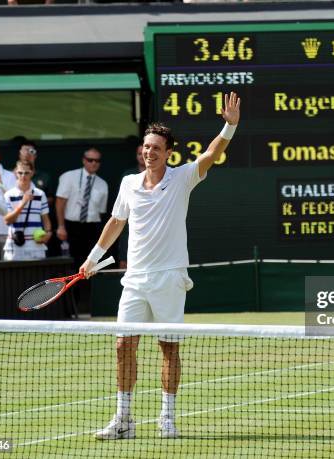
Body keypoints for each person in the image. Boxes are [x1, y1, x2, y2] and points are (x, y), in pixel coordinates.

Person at [82, 92, 240, 441]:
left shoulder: (183, 177)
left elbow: (213, 154)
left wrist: (229, 125)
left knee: (168, 347)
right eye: (145, 146)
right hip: (135, 280)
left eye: (155, 147)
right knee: (123, 345)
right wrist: (93, 257)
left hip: (169, 279)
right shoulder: (128, 184)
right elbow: (115, 222)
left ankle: (167, 418)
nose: (149, 152)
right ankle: (123, 419)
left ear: (169, 152)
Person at [56, 148, 108, 312]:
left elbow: (100, 211)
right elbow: (60, 203)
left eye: (97, 161)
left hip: (91, 228)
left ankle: (87, 307)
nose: (93, 163)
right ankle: (69, 308)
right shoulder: (69, 177)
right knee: (70, 267)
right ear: (84, 160)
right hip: (71, 227)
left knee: (90, 268)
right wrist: (61, 225)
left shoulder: (102, 184)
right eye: (90, 160)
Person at [3, 161, 51, 261]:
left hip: (36, 247)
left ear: (32, 173)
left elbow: (45, 219)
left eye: (26, 173)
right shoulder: (9, 195)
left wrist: (48, 233)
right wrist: (23, 203)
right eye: (20, 173)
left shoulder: (40, 194)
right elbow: (7, 220)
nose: (23, 176)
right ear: (15, 173)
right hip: (14, 247)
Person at [18, 140, 58, 256]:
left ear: (35, 154)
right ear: (20, 153)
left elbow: (50, 199)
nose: (27, 154)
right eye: (24, 150)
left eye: (30, 151)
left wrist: (35, 201)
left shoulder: (44, 177)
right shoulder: (10, 175)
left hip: (38, 227)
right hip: (17, 227)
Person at [118, 144, 145, 269]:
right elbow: (120, 216)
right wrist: (123, 256)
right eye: (139, 153)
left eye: (144, 153)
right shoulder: (128, 176)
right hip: (131, 229)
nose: (142, 156)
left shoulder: (164, 175)